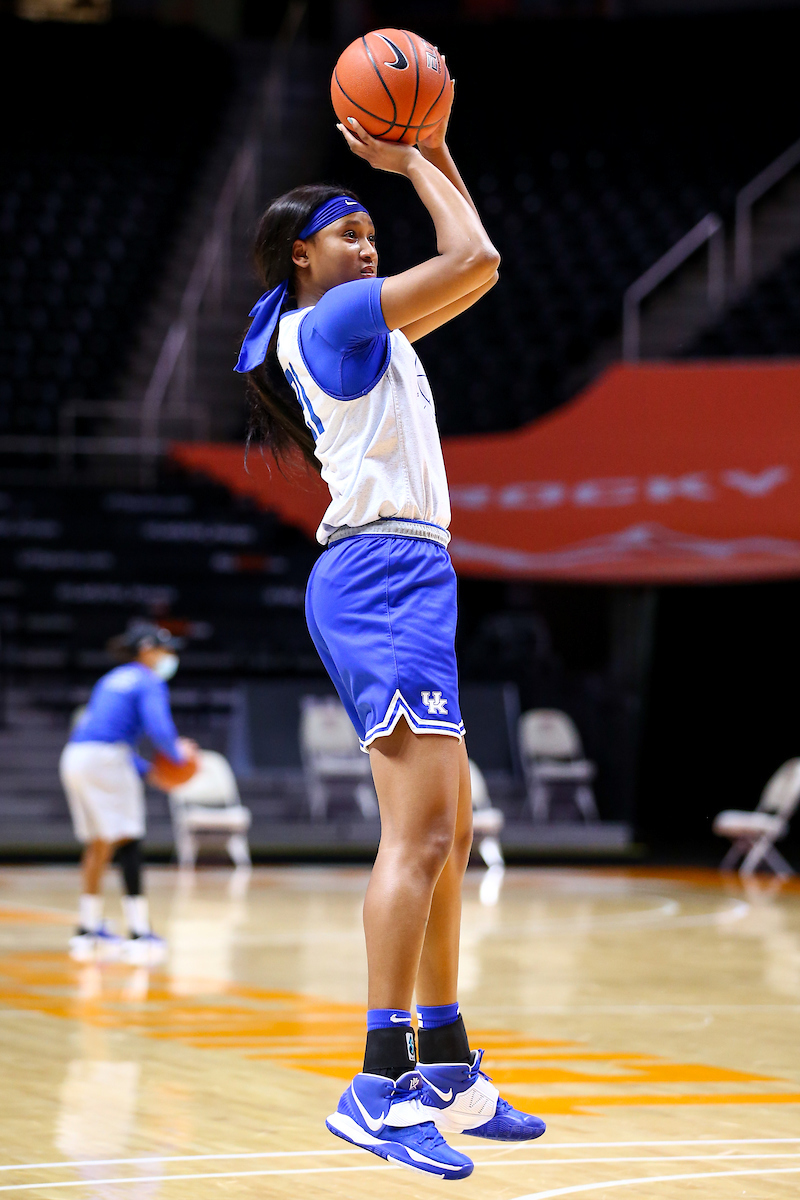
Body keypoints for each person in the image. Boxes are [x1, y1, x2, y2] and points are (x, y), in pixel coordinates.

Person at [234, 81, 545, 1181]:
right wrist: (414, 158)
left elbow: (477, 270)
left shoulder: (356, 322)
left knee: (447, 834)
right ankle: (377, 1083)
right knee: (415, 841)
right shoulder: (335, 319)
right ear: (302, 259)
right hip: (380, 577)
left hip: (407, 572)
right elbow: (473, 255)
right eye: (348, 234)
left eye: (372, 234)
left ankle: (447, 1062)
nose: (368, 247)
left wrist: (436, 144)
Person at [59, 620, 196, 965]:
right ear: (147, 650)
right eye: (165, 649)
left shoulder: (112, 678)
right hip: (106, 759)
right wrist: (180, 756)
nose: (170, 656)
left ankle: (87, 927)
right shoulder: (148, 680)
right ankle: (138, 931)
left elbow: (105, 733)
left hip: (76, 756)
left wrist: (148, 771)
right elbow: (159, 728)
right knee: (128, 838)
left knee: (99, 843)